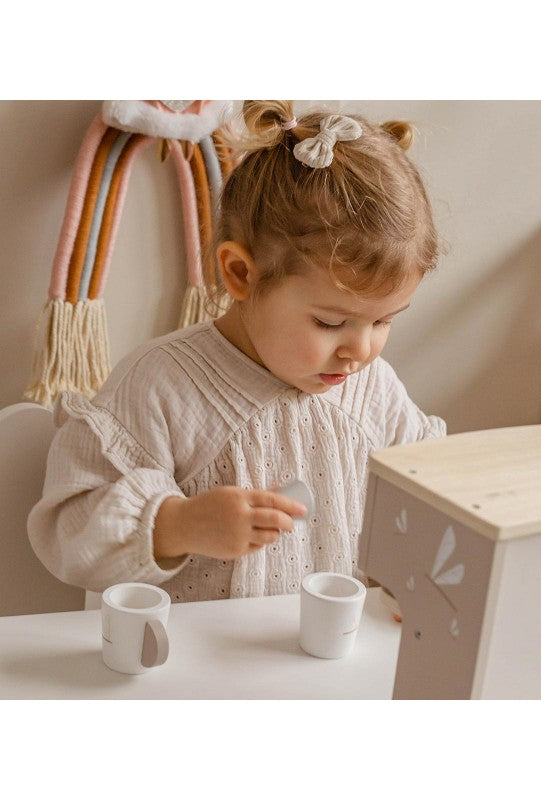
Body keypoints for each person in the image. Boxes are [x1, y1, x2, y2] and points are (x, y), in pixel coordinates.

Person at [27, 100, 446, 604]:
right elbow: (68, 532)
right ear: (241, 274)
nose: (360, 350)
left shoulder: (372, 391)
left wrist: (412, 576)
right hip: (191, 650)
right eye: (330, 323)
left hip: (329, 649)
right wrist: (176, 524)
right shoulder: (162, 387)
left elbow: (429, 492)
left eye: (383, 321)